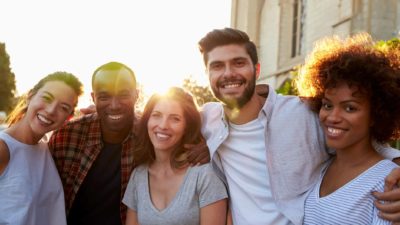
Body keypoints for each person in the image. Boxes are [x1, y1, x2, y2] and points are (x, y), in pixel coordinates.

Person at [197, 27, 400, 225]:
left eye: (238, 63)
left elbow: (365, 143)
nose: (228, 73)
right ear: (207, 74)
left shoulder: (302, 113)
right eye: (217, 66)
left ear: (256, 69)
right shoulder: (208, 121)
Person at [49, 62, 210, 225]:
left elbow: (182, 131)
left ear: (136, 95)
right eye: (104, 97)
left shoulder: (150, 135)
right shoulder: (68, 135)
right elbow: (44, 193)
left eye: (123, 95)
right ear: (93, 98)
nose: (114, 105)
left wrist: (207, 147)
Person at [295, 33, 400, 224]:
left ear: (376, 115)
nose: (332, 117)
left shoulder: (388, 182)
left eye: (350, 108)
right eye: (327, 105)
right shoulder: (321, 167)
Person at [122, 87, 228, 225]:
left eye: (175, 119)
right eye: (156, 115)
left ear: (187, 127)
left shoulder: (204, 175)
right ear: (147, 120)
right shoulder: (138, 176)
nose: (163, 125)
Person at [0, 72, 83, 225]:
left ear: (69, 117)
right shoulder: (3, 149)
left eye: (63, 107)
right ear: (30, 96)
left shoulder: (47, 146)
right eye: (46, 98)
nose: (51, 110)